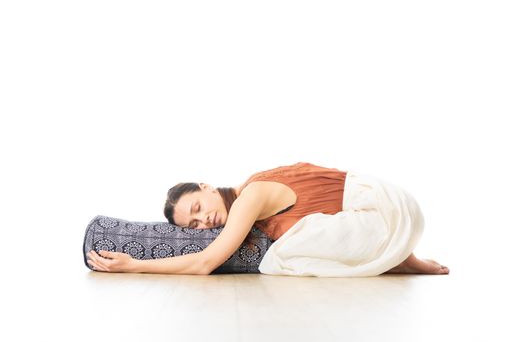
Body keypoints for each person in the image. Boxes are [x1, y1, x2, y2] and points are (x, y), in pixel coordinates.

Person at [86, 162, 449, 275]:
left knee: (280, 257)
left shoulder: (250, 197)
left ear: (206, 186)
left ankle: (403, 261)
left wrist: (134, 266)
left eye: (197, 208)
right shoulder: (249, 194)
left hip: (387, 210)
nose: (205, 222)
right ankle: (405, 259)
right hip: (398, 214)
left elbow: (205, 262)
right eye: (194, 226)